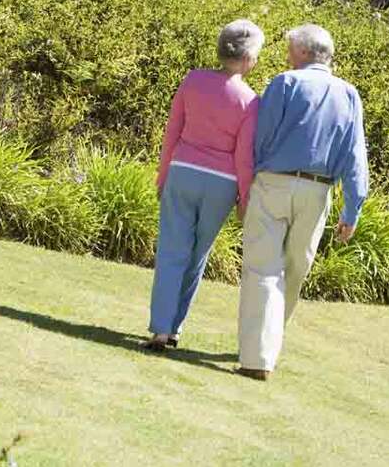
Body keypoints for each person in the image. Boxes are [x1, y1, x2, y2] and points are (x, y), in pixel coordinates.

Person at [237, 23, 369, 381]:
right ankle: (268, 346)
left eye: (291, 49)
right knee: (296, 269)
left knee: (263, 267)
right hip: (318, 190)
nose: (287, 55)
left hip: (275, 182)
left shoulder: (285, 83)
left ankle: (257, 357)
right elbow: (355, 156)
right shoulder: (350, 94)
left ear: (306, 52)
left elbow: (260, 138)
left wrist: (250, 182)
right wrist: (352, 208)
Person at [145, 19, 263, 350]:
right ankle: (176, 328)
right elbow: (244, 158)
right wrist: (244, 197)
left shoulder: (193, 80)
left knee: (171, 251)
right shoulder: (251, 101)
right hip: (222, 184)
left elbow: (173, 131)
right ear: (247, 58)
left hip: (183, 171)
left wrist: (163, 172)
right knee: (197, 256)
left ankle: (160, 329)